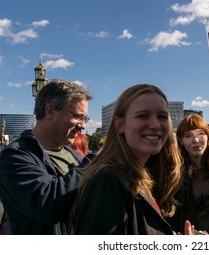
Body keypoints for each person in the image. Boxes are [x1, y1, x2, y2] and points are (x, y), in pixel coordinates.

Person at [70, 83, 187, 235]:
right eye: (143, 116)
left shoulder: (144, 175)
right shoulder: (107, 181)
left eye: (162, 117)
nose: (155, 124)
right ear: (119, 124)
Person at [0, 78, 93, 234]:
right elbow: (47, 205)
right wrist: (94, 163)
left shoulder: (74, 155)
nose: (83, 125)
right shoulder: (15, 156)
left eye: (84, 118)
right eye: (77, 116)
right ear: (50, 111)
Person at [169, 114, 209, 235]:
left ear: (208, 136)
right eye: (188, 135)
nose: (195, 140)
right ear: (181, 140)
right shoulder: (173, 175)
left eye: (200, 134)